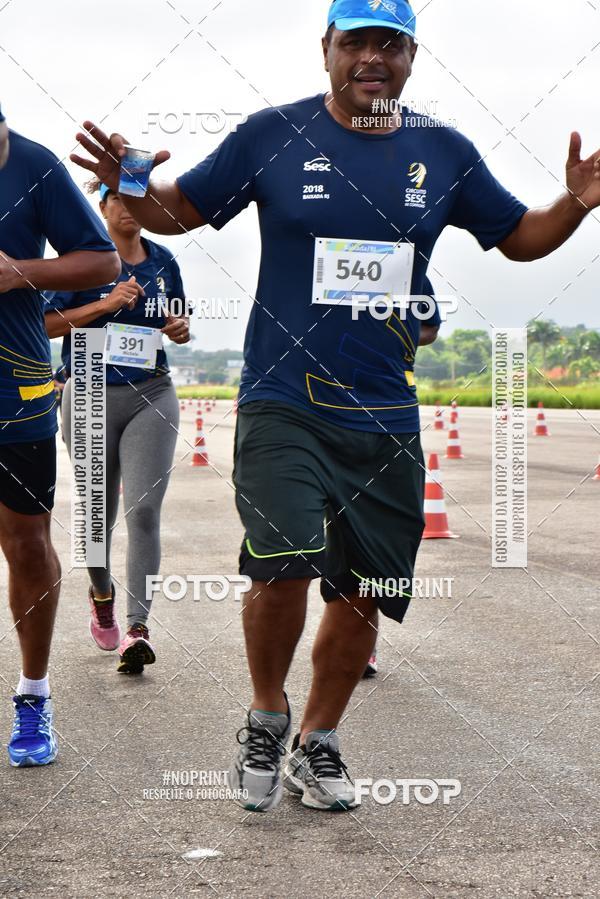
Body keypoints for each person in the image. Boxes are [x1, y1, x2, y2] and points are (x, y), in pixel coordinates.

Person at [71, 0, 600, 811]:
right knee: (281, 562)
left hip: (385, 411)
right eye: (355, 43)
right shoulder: (270, 134)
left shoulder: (444, 151)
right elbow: (178, 210)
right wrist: (129, 183)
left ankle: (317, 740)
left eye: (389, 45)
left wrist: (575, 203)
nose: (371, 59)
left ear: (413, 56)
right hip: (283, 396)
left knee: (362, 590)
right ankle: (266, 713)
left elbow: (519, 237)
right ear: (327, 49)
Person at [0, 106, 119, 767]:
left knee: (25, 543)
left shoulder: (32, 163)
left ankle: (33, 692)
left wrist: (21, 272)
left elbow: (100, 260)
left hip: (12, 397)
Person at [45, 182, 189, 674]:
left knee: (144, 511)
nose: (128, 209)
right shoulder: (83, 260)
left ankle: (137, 628)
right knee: (95, 521)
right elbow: (46, 323)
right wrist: (104, 305)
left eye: (135, 200)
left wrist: (179, 327)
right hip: (85, 391)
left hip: (152, 390)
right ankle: (102, 595)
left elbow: (177, 319)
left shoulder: (164, 260)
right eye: (117, 201)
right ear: (102, 208)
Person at [362, 276, 441, 679]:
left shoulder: (407, 265)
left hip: (387, 406)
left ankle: (365, 643)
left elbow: (429, 326)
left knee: (372, 535)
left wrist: (388, 329)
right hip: (313, 404)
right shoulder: (315, 246)